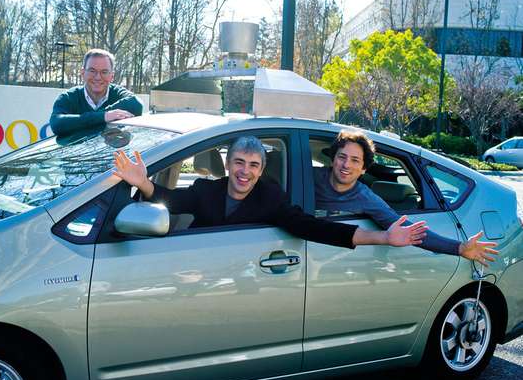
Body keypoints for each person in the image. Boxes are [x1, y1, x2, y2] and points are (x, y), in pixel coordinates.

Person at [113, 136, 429, 250]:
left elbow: (316, 228)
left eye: (253, 165)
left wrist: (384, 238)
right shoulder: (206, 189)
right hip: (204, 267)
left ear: (261, 170)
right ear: (228, 163)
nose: (244, 171)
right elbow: (171, 199)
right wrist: (141, 182)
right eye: (238, 162)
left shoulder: (271, 199)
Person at [314, 130, 498, 265]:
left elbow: (410, 230)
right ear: (333, 159)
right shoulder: (308, 178)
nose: (346, 165)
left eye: (355, 160)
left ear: (363, 169)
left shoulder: (366, 198)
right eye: (342, 157)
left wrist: (459, 248)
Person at [50, 48, 143, 136]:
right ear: (82, 73)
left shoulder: (118, 94)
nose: (98, 77)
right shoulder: (69, 97)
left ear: (112, 76)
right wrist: (104, 116)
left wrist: (82, 122)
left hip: (113, 152)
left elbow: (136, 104)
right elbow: (56, 123)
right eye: (92, 71)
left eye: (104, 72)